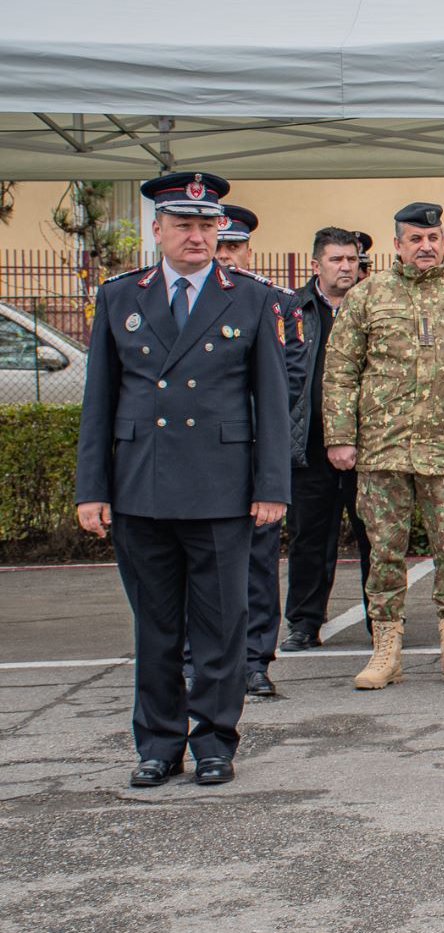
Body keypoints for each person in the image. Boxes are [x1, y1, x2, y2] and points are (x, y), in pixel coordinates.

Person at [74, 171, 291, 788]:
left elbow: (270, 402)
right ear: (158, 230)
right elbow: (100, 401)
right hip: (141, 485)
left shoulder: (249, 297)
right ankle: (159, 744)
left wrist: (271, 486)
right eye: (184, 225)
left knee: (221, 627)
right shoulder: (120, 297)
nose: (198, 236)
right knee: (157, 628)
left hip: (221, 487)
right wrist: (92, 488)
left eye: (207, 224)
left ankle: (215, 741)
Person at [322, 202, 444, 690]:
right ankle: (386, 649)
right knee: (384, 549)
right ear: (397, 245)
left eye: (433, 238)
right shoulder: (367, 296)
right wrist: (341, 436)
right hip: (382, 449)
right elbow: (340, 371)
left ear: (443, 241)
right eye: (415, 239)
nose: (425, 247)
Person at [202, 203, 309, 699]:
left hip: (251, 454)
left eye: (233, 246)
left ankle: (253, 661)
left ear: (248, 248)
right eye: (219, 245)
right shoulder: (174, 299)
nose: (226, 255)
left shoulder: (273, 302)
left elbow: (289, 376)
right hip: (196, 457)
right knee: (191, 565)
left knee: (258, 563)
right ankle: (192, 659)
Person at [282, 227, 372, 651]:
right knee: (309, 538)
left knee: (376, 535)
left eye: (351, 259)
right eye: (336, 260)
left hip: (369, 446)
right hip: (310, 447)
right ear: (316, 264)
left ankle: (382, 620)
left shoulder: (375, 307)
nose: (346, 267)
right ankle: (303, 621)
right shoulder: (290, 311)